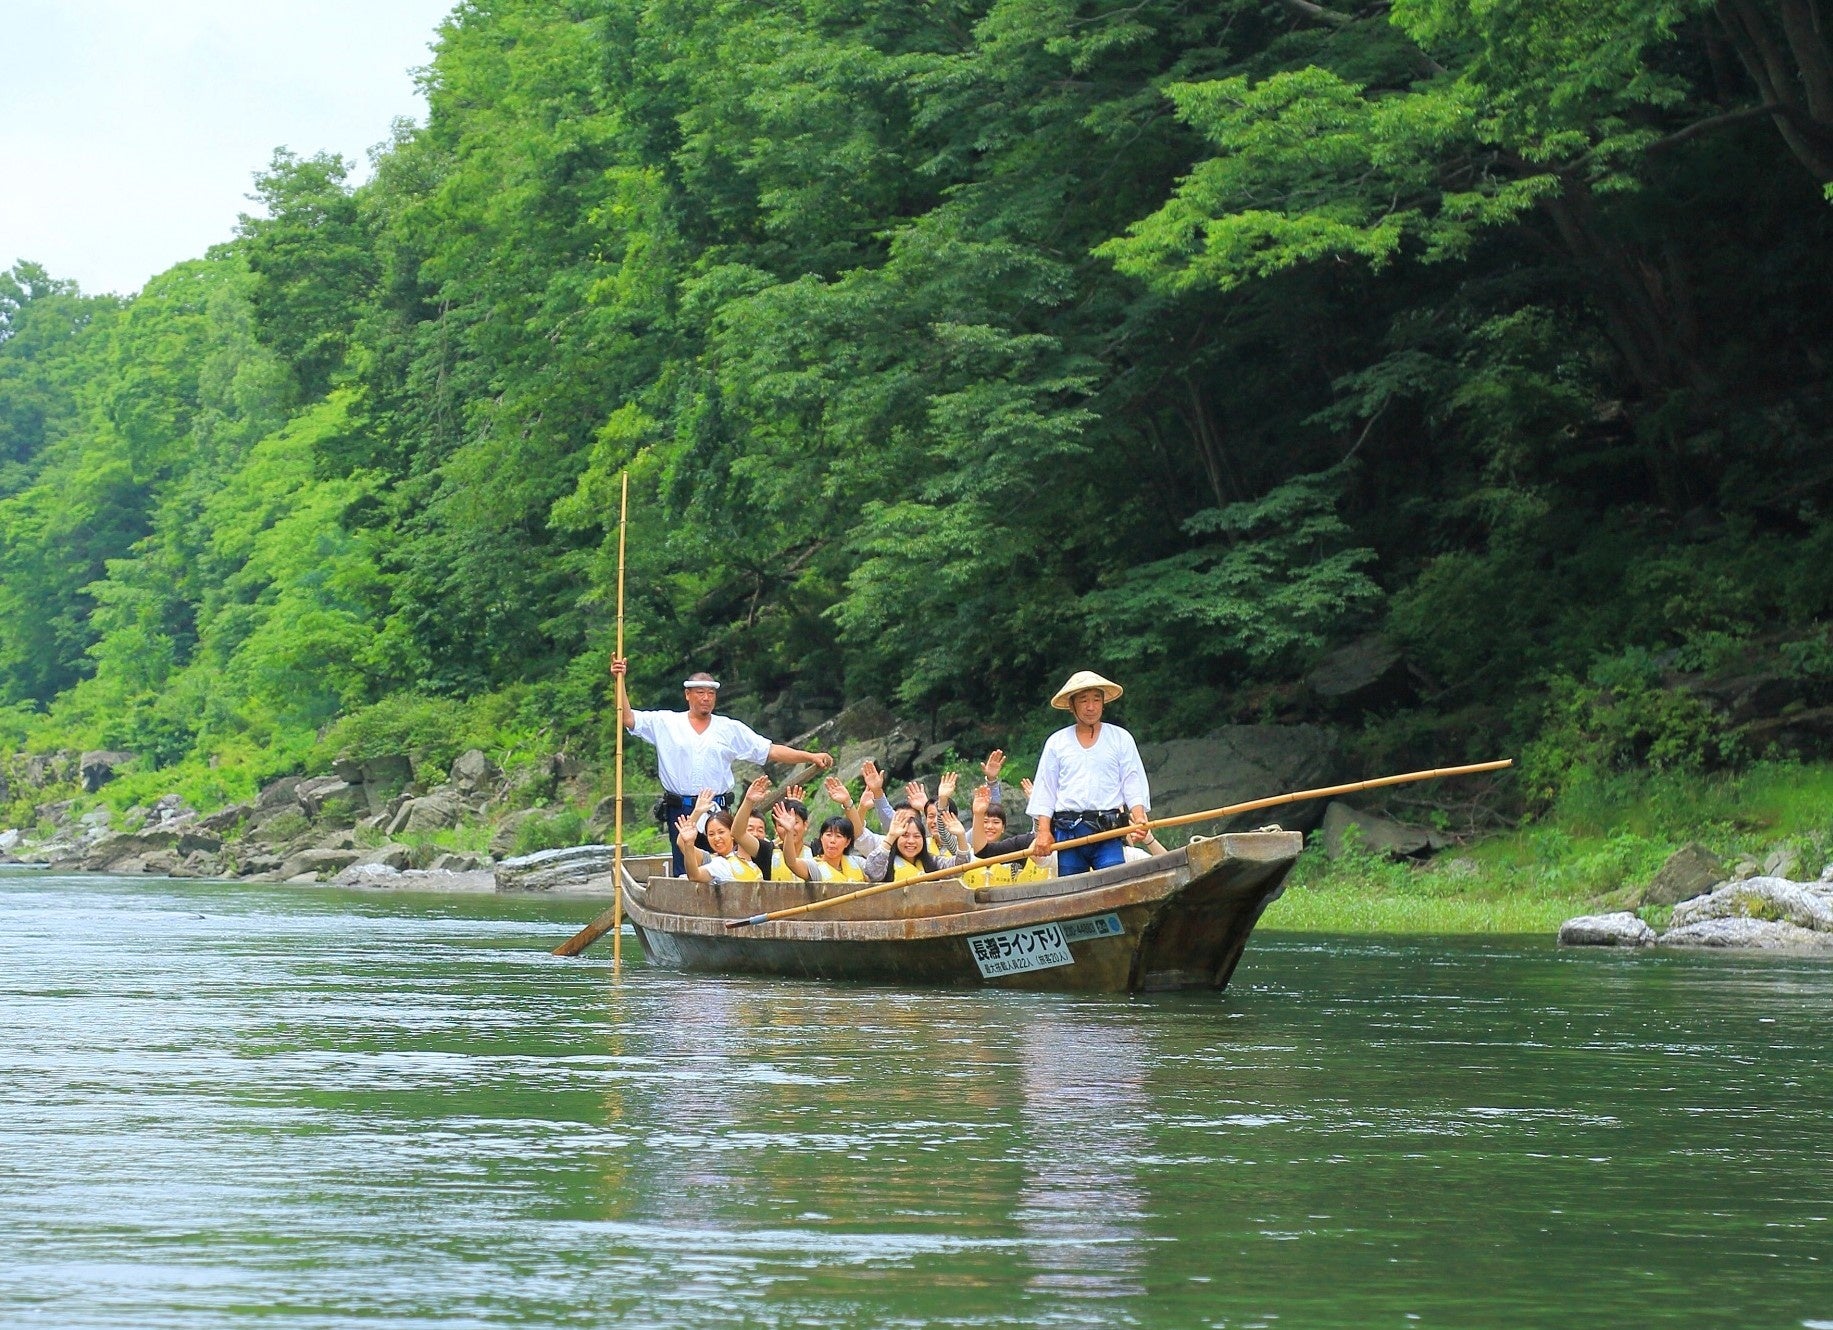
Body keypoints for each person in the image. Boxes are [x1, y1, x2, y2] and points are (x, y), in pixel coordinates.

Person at [611, 656, 833, 875]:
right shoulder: (666, 722)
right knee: (686, 864)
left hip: (717, 809)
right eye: (700, 693)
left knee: (723, 864)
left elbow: (770, 750)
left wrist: (809, 756)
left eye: (711, 693)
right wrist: (619, 679)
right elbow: (628, 719)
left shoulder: (729, 728)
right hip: (682, 809)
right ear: (687, 695)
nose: (706, 698)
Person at [1026, 670, 1150, 876]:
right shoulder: (1057, 742)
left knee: (1114, 883)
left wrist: (1138, 818)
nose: (1091, 707)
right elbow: (1046, 789)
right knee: (1073, 890)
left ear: (1103, 703)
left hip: (1108, 830)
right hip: (1069, 832)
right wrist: (1044, 832)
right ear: (1072, 706)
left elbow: (1132, 781)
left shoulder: (1121, 738)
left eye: (1096, 700)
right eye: (1084, 701)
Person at [675, 790, 763, 883]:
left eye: (721, 832)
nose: (716, 838)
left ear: (732, 833)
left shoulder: (749, 853)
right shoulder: (711, 860)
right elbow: (682, 843)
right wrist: (697, 812)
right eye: (711, 834)